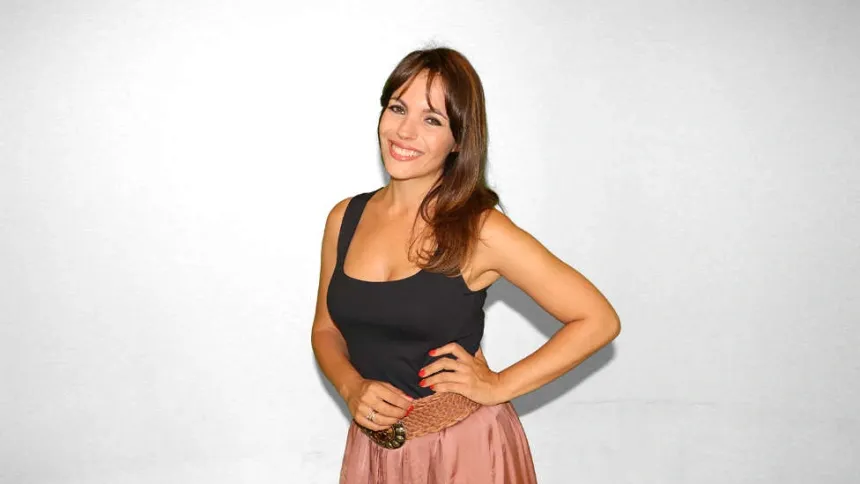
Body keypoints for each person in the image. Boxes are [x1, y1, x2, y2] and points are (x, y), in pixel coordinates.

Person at [311, 46, 621, 483]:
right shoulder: (344, 218)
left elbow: (598, 320)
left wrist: (498, 385)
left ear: (458, 140)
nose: (405, 131)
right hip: (375, 451)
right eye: (398, 108)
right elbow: (326, 330)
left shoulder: (481, 230)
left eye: (432, 120)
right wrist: (351, 387)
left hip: (466, 452)